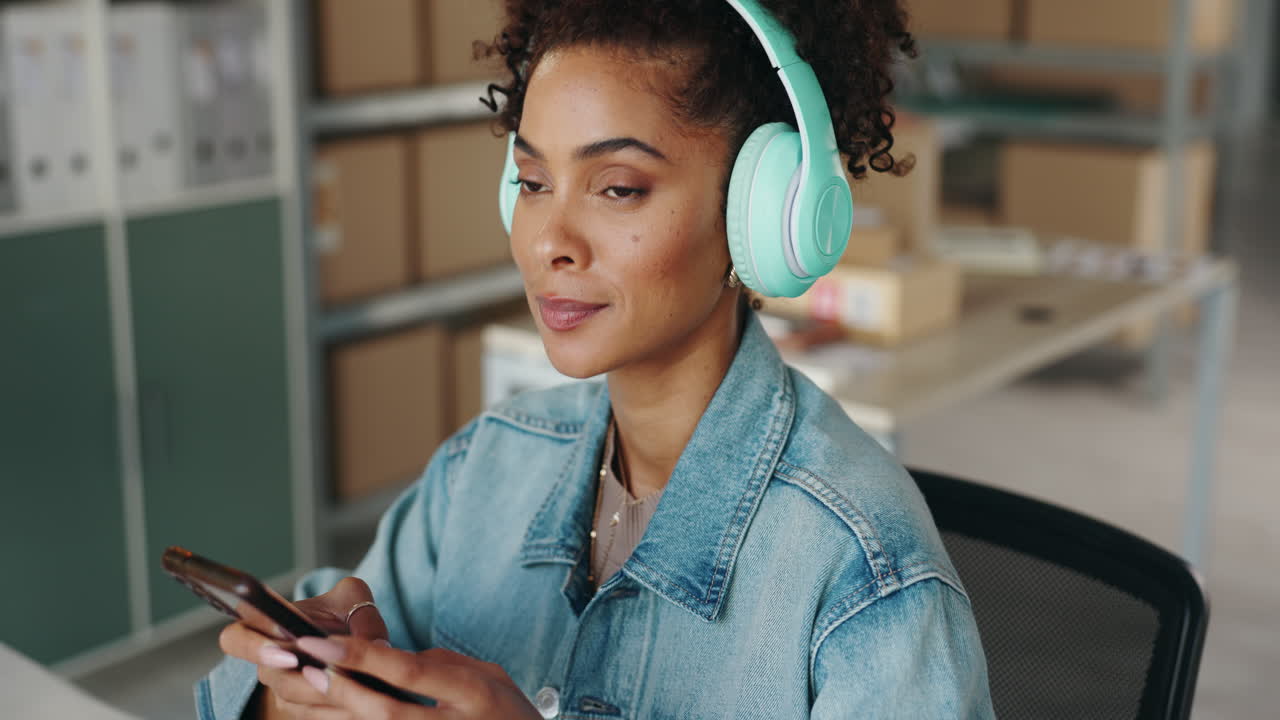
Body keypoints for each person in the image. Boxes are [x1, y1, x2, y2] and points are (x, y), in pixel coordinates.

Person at [202, 1, 995, 717]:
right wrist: (289, 701)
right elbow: (279, 667)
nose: (550, 241)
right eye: (534, 181)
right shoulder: (486, 468)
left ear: (765, 212)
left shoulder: (865, 577)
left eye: (617, 188)